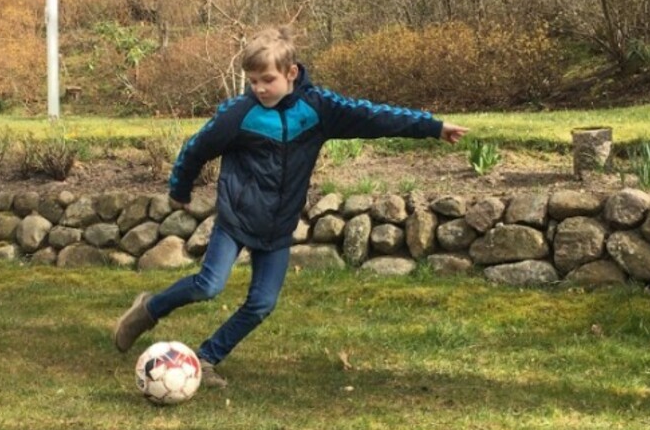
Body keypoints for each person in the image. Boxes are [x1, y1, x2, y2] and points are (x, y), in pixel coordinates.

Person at [113, 25, 468, 388]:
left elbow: (375, 116)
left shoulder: (319, 109)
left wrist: (433, 127)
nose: (259, 88)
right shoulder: (239, 113)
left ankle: (207, 357)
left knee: (262, 304)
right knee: (208, 286)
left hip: (278, 227)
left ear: (291, 72)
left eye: (267, 79)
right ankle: (148, 309)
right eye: (253, 81)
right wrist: (180, 188)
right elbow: (196, 148)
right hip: (237, 218)